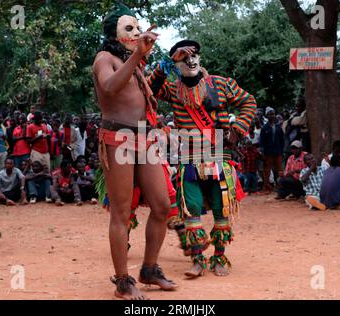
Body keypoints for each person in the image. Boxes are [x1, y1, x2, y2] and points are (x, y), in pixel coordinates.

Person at [148, 39, 256, 278]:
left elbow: (249, 101)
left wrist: (238, 127)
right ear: (177, 63)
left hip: (220, 158)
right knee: (191, 210)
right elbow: (149, 88)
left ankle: (219, 257)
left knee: (221, 209)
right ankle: (197, 259)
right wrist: (168, 61)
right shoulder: (174, 88)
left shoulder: (221, 84)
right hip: (189, 161)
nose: (191, 60)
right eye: (184, 58)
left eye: (194, 55)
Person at [93, 4, 176, 299]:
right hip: (118, 137)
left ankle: (149, 269)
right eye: (129, 28)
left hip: (145, 139)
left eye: (138, 28)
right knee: (121, 212)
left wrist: (153, 59)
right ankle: (123, 281)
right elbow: (111, 86)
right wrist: (138, 56)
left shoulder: (133, 62)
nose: (136, 33)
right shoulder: (105, 58)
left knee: (163, 205)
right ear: (112, 33)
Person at [259, 107, 284, 194]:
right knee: (267, 171)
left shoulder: (278, 127)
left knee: (279, 170)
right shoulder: (264, 128)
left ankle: (280, 186)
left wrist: (282, 151)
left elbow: (282, 140)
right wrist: (262, 153)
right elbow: (261, 142)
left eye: (273, 114)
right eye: (270, 114)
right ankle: (267, 187)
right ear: (267, 115)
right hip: (268, 153)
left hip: (278, 152)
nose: (272, 116)